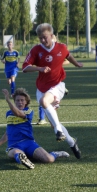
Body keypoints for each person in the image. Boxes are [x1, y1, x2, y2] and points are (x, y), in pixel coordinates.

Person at [22, 23, 82, 159]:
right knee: (53, 124)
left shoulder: (61, 47)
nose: (43, 40)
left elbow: (68, 55)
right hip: (41, 88)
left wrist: (76, 63)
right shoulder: (36, 50)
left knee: (45, 102)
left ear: (52, 35)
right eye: (40, 38)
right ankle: (72, 142)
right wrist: (40, 68)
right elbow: (25, 67)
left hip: (58, 85)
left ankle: (59, 132)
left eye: (45, 37)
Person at [0, 88, 70, 169]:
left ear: (26, 102)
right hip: (14, 146)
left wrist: (8, 101)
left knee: (48, 159)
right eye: (17, 100)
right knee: (15, 153)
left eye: (22, 100)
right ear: (15, 101)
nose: (20, 102)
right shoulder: (8, 113)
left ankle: (55, 154)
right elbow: (8, 132)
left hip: (29, 143)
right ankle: (23, 159)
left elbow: (19, 114)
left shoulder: (29, 111)